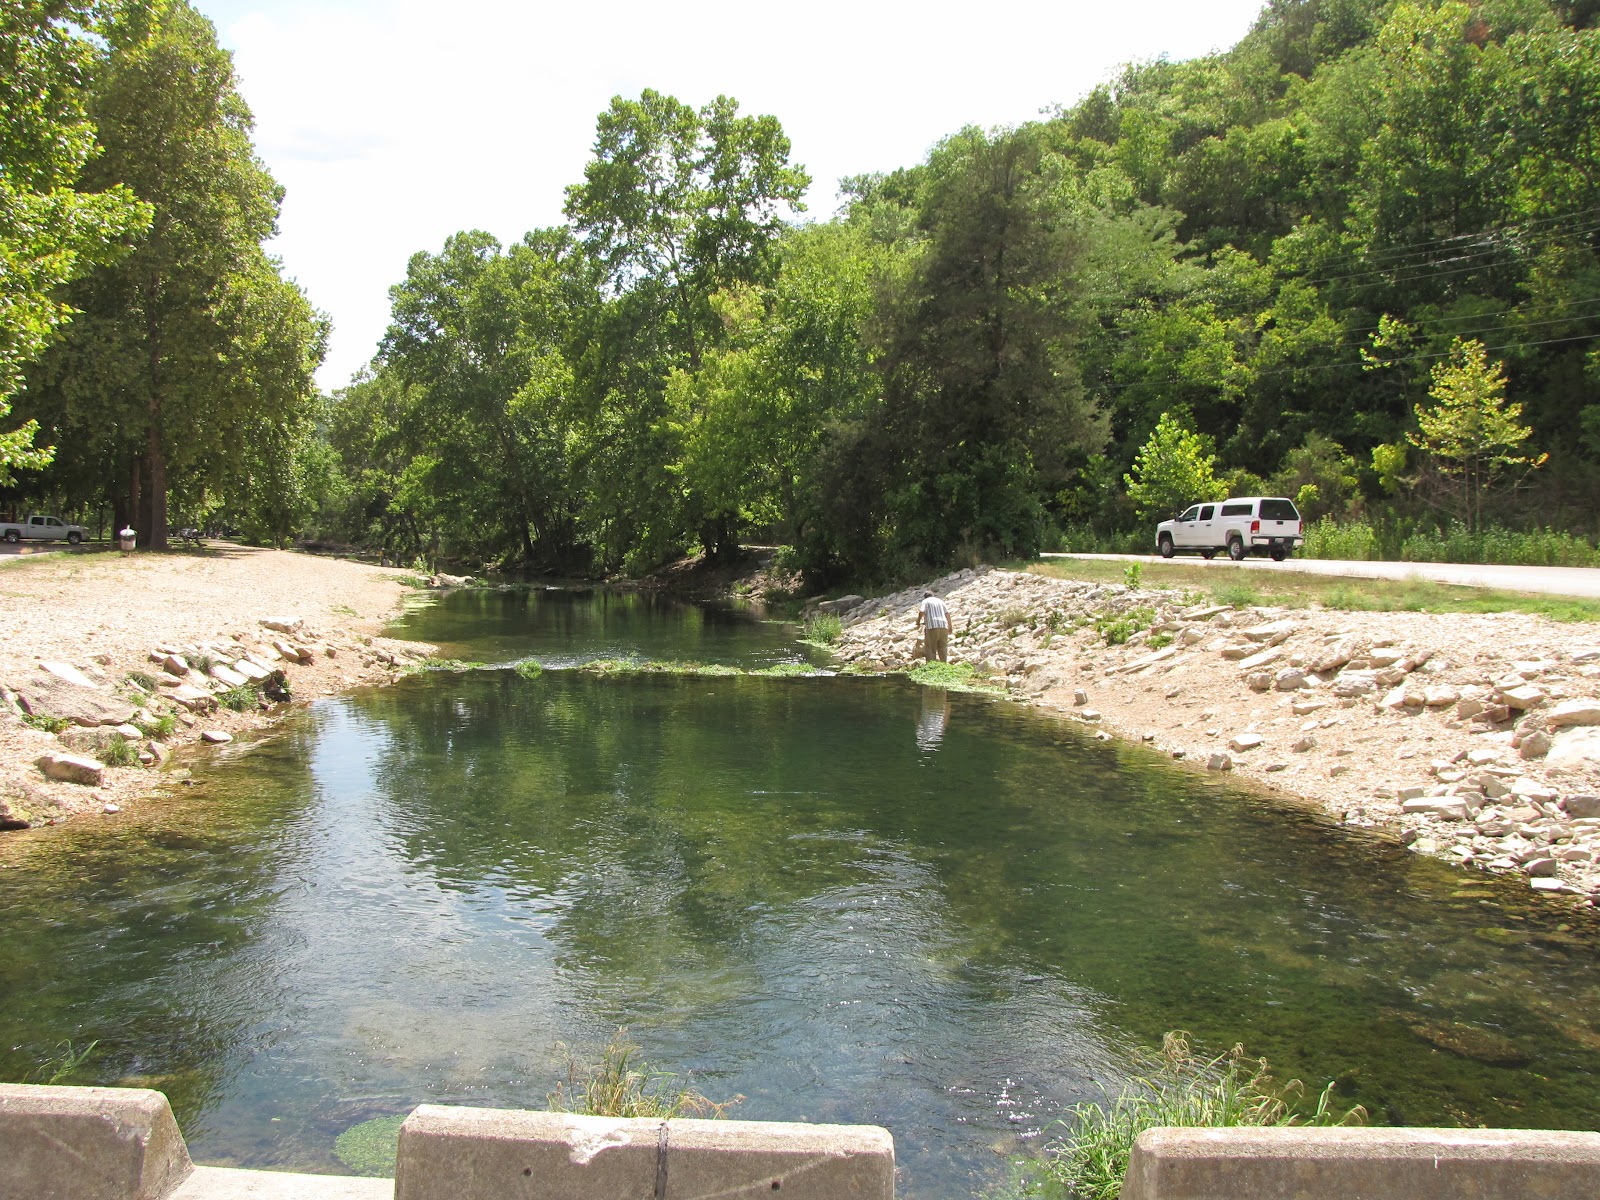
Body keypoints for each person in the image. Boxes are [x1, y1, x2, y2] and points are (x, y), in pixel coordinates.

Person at [916, 590, 953, 662]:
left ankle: (931, 665)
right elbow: (947, 614)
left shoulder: (925, 601)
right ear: (933, 595)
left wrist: (918, 622)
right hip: (943, 625)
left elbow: (921, 612)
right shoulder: (940, 601)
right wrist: (950, 626)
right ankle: (944, 664)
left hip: (932, 626)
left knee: (930, 647)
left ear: (925, 597)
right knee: (942, 647)